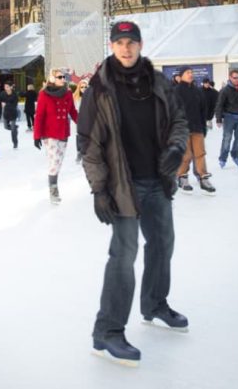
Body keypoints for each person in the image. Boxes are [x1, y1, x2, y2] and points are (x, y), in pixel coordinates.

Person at [76, 20, 189, 367]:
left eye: (131, 42)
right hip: (121, 185)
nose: (126, 48)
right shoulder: (99, 89)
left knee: (163, 242)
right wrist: (99, 190)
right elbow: (89, 144)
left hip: (157, 180)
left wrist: (175, 148)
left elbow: (179, 121)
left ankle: (154, 303)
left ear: (140, 45)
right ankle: (107, 331)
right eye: (119, 42)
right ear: (111, 46)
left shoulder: (157, 82)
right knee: (123, 256)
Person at [33, 68, 79, 203]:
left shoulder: (68, 93)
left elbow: (72, 111)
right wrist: (37, 135)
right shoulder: (44, 94)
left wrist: (83, 124)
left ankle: (53, 184)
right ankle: (53, 190)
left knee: (59, 161)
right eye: (60, 77)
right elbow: (39, 116)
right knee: (54, 162)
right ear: (52, 79)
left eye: (64, 77)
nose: (63, 79)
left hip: (63, 131)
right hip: (50, 133)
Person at [174, 67, 215, 195]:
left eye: (191, 72)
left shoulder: (198, 91)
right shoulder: (175, 92)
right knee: (186, 155)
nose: (190, 74)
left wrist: (204, 126)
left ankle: (203, 178)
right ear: (181, 76)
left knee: (200, 154)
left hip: (197, 128)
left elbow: (203, 110)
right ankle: (182, 177)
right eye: (187, 72)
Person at [215, 69, 238, 168]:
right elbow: (219, 105)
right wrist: (218, 119)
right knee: (227, 138)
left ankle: (235, 155)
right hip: (228, 118)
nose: (237, 80)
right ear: (230, 78)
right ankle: (223, 158)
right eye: (235, 78)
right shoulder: (225, 90)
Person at [0, 81, 20, 150]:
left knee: (13, 130)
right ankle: (15, 128)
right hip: (6, 113)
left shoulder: (15, 95)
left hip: (13, 113)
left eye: (7, 87)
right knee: (6, 127)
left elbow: (14, 105)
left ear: (11, 87)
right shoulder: (2, 94)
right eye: (5, 87)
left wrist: (6, 104)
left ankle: (15, 143)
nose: (6, 88)